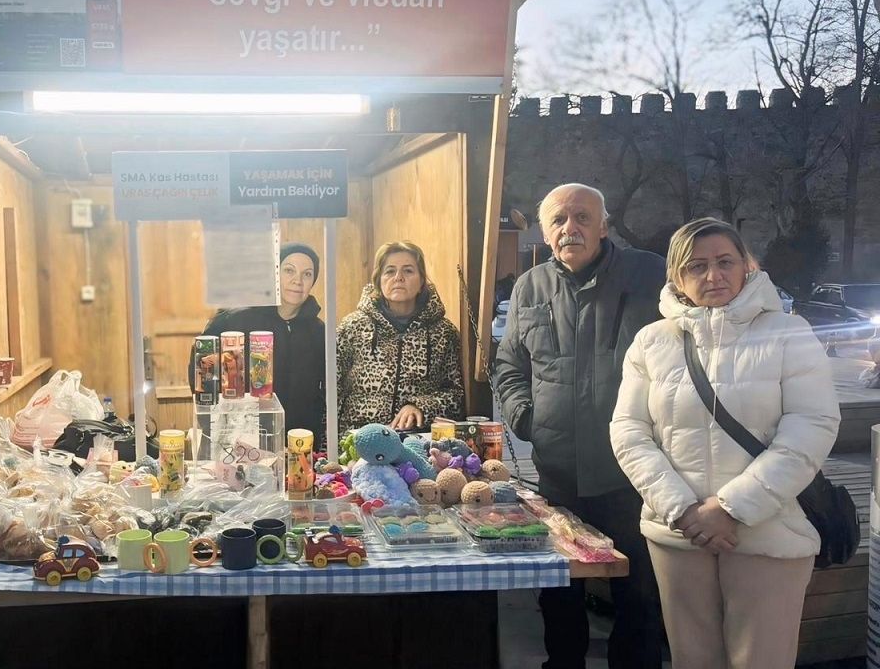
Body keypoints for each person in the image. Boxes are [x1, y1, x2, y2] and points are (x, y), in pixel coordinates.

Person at [610, 217, 838, 669]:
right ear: (677, 277)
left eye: (724, 262)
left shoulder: (788, 333)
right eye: (697, 266)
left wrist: (731, 508)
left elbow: (811, 427)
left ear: (746, 266)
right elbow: (629, 431)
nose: (713, 275)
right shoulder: (651, 342)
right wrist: (681, 508)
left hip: (770, 531)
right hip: (680, 535)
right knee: (692, 659)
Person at [492, 183, 666, 669]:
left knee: (640, 595)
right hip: (558, 473)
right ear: (546, 233)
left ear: (604, 225)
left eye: (583, 217)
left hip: (632, 474)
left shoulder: (648, 275)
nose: (571, 228)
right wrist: (526, 417)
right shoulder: (531, 286)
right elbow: (509, 363)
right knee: (559, 590)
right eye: (559, 220)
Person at [195, 242, 327, 445]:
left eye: (307, 274)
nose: (297, 280)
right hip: (238, 442)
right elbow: (202, 374)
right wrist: (214, 425)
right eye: (289, 270)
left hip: (297, 443)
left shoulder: (317, 330)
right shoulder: (233, 320)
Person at [337, 240, 463, 433]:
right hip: (357, 440)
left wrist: (420, 406)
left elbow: (456, 396)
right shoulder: (352, 327)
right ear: (378, 281)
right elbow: (331, 391)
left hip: (415, 442)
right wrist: (328, 447)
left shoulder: (444, 332)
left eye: (408, 271)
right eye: (390, 271)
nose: (398, 278)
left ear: (421, 281)